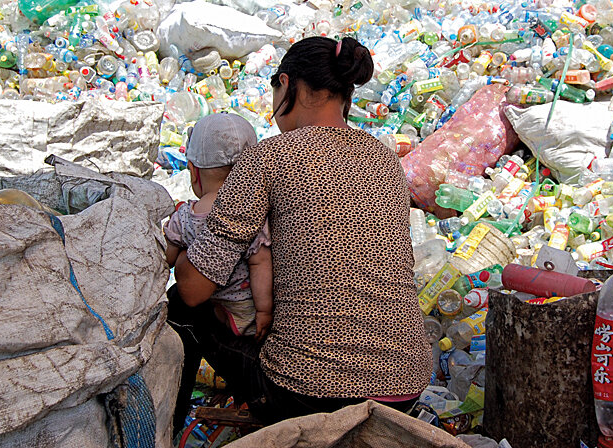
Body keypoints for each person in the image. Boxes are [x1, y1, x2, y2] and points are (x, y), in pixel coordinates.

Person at [169, 36, 432, 426]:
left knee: (177, 302)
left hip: (303, 396)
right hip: (404, 389)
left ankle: (168, 428)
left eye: (274, 88)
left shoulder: (269, 157)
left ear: (287, 85)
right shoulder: (385, 161)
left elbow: (195, 288)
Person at [164, 113, 272, 431]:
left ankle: (170, 421)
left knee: (179, 305)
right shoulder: (264, 208)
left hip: (242, 334)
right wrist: (265, 309)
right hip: (258, 317)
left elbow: (168, 260)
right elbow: (260, 262)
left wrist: (181, 250)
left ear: (195, 172)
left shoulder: (186, 215)